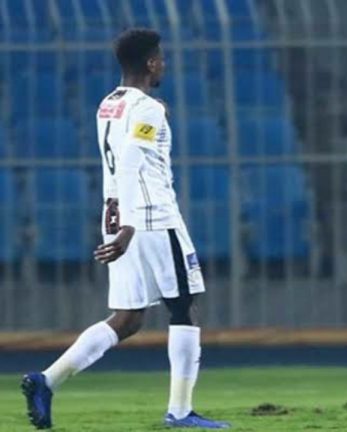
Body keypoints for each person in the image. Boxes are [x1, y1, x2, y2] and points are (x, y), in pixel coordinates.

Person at [21, 28, 230, 430]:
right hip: (150, 217)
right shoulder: (146, 108)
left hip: (114, 214)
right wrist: (131, 226)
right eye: (161, 58)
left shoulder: (109, 103)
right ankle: (180, 412)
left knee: (129, 318)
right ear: (151, 63)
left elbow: (129, 142)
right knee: (184, 305)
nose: (164, 64)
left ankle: (46, 381)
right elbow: (133, 158)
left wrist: (123, 223)